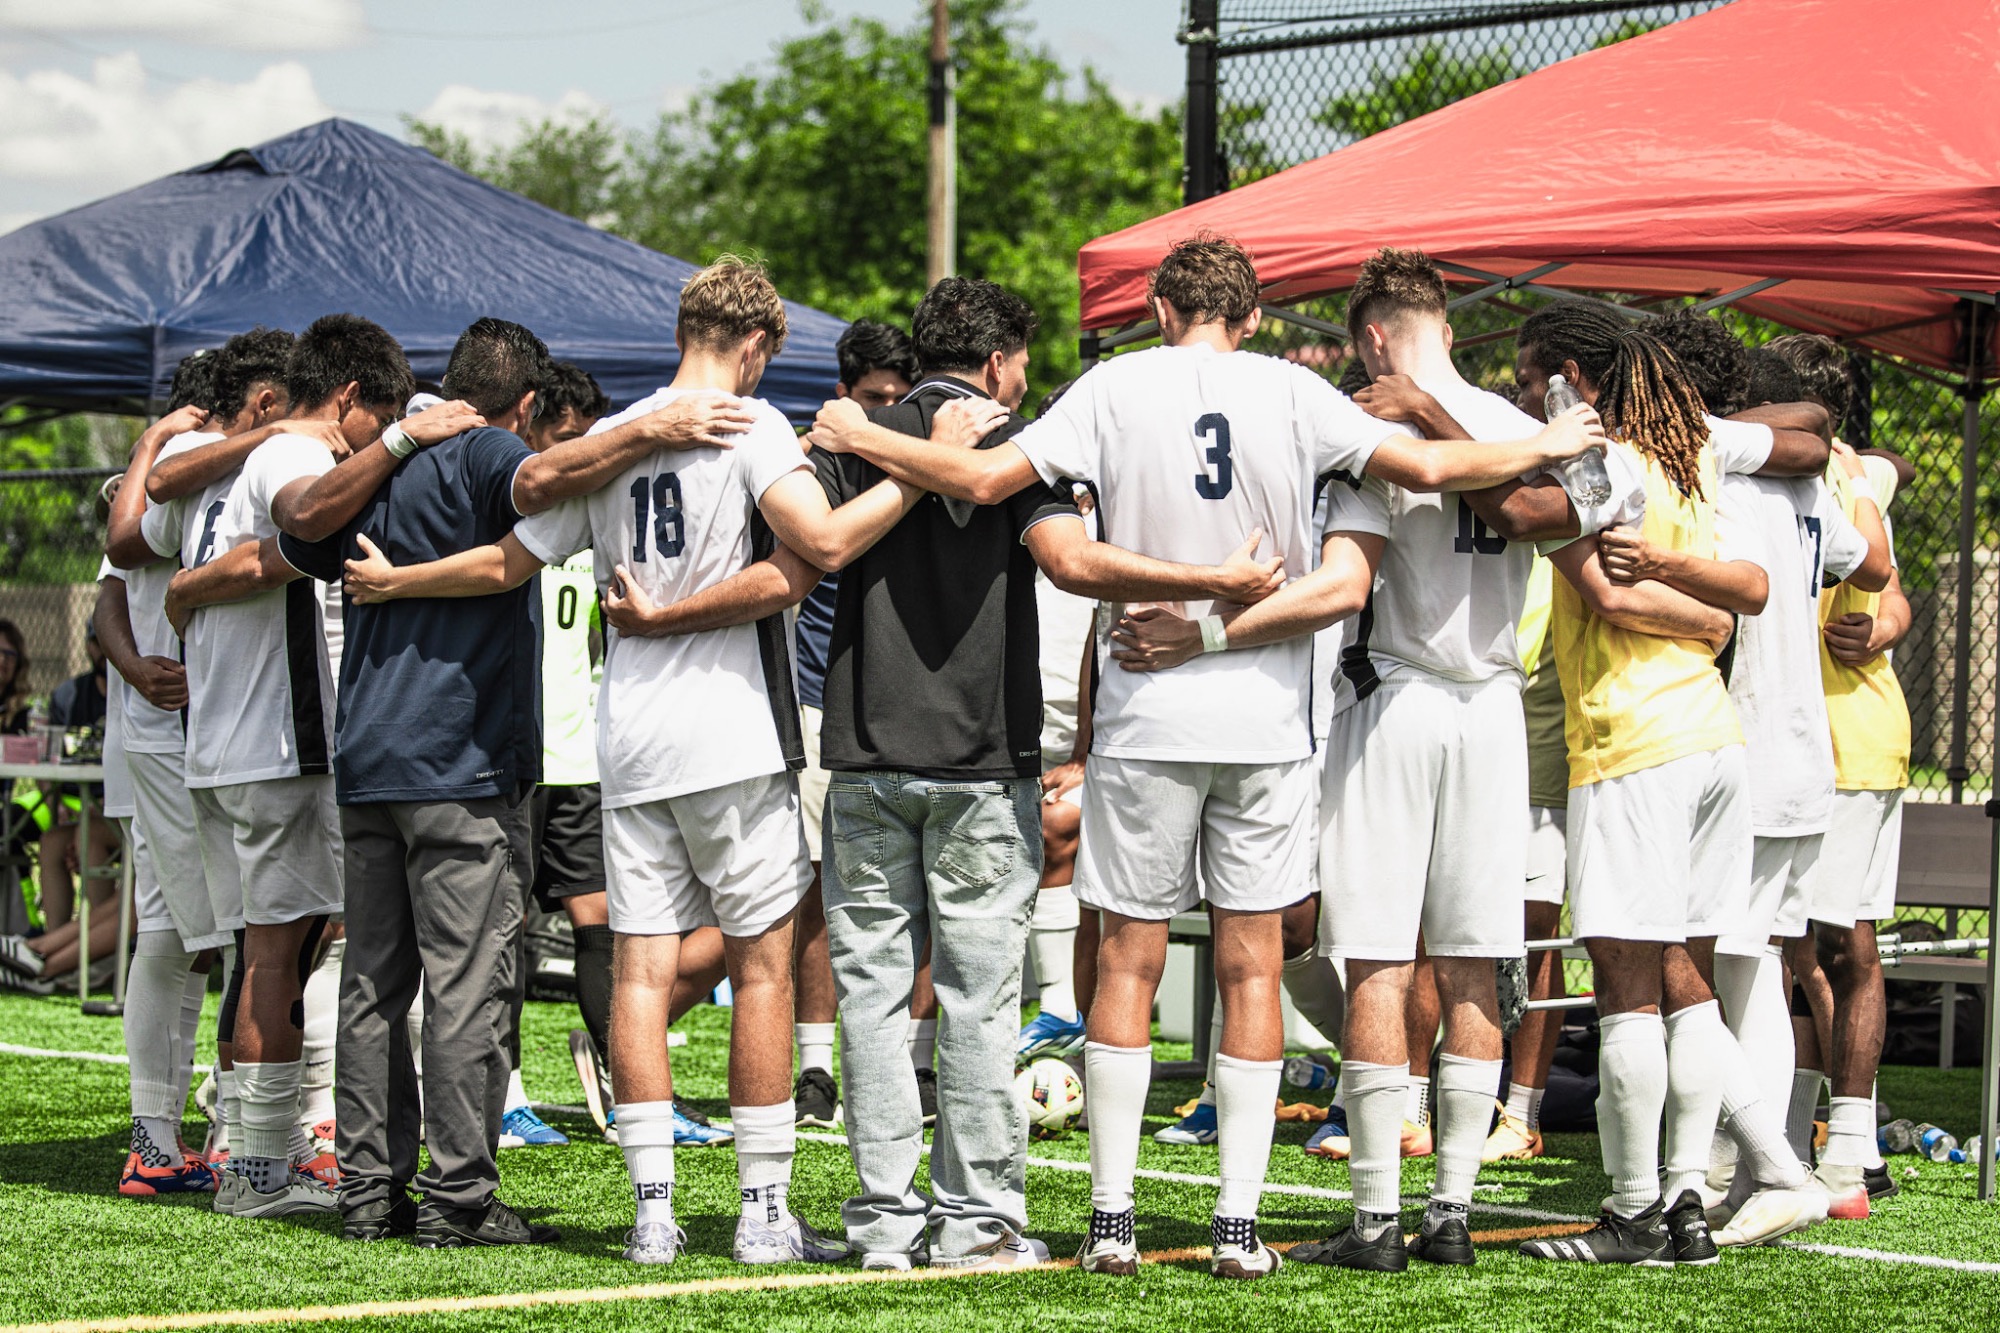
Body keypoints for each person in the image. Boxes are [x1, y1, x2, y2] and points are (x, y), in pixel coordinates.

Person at [809, 241, 1605, 1279]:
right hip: (1276, 718)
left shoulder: (1111, 382)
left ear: (1152, 303)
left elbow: (981, 476)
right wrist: (1541, 437)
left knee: (1127, 958)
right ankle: (1237, 1227)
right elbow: (1424, 468)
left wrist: (859, 431)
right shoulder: (1296, 389)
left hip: (1146, 716)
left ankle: (1108, 1221)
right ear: (1254, 315)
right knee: (1253, 963)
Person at [339, 259, 952, 1266]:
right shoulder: (747, 423)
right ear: (755, 345)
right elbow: (819, 548)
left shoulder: (617, 435)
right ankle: (761, 1214)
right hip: (730, 731)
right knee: (760, 968)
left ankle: (652, 1211)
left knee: (638, 970)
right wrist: (911, 476)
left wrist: (400, 580)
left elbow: (509, 556)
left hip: (627, 739)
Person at [158, 315, 457, 1222]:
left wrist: (190, 586)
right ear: (346, 401)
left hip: (220, 739)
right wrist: (403, 441)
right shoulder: (291, 448)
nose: (371, 444)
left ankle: (264, 1143)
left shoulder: (220, 468)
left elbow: (188, 545)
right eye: (378, 419)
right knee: (277, 953)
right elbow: (302, 520)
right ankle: (254, 1170)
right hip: (275, 742)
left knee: (271, 946)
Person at [1770, 331, 1914, 1215]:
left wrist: (1885, 619)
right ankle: (1793, 1138)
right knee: (1798, 944)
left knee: (1840, 943)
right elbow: (1893, 591)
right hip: (1796, 733)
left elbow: (1882, 572)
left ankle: (1853, 1151)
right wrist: (1891, 617)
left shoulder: (1843, 478)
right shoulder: (1849, 473)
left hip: (1851, 735)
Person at [789, 320, 923, 1130]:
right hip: (820, 694)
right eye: (874, 400)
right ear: (844, 396)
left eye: (900, 400)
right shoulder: (814, 461)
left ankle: (918, 1057)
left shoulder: (928, 455)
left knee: (928, 890)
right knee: (815, 887)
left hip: (907, 697)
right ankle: (813, 1071)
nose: (887, 414)